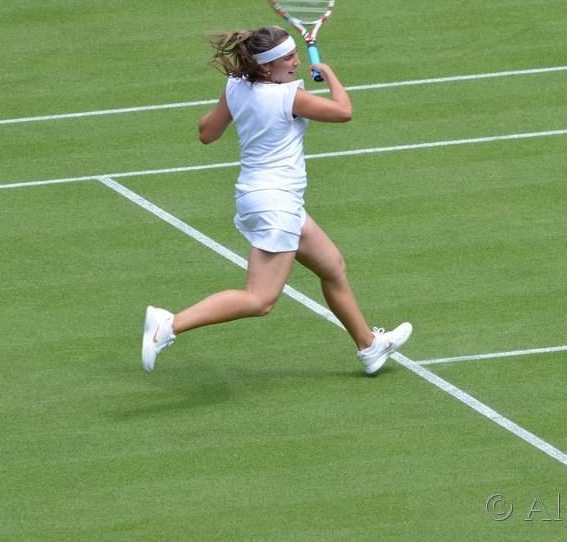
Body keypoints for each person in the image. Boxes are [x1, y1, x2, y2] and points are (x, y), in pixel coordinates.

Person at [143, 25, 411, 374]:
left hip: (260, 197)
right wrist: (329, 74)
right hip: (276, 205)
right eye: (288, 58)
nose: (296, 62)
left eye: (296, 53)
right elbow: (343, 111)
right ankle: (169, 325)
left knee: (332, 266)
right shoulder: (289, 97)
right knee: (259, 300)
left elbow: (206, 132)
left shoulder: (236, 86)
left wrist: (239, 107)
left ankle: (369, 346)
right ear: (266, 67)